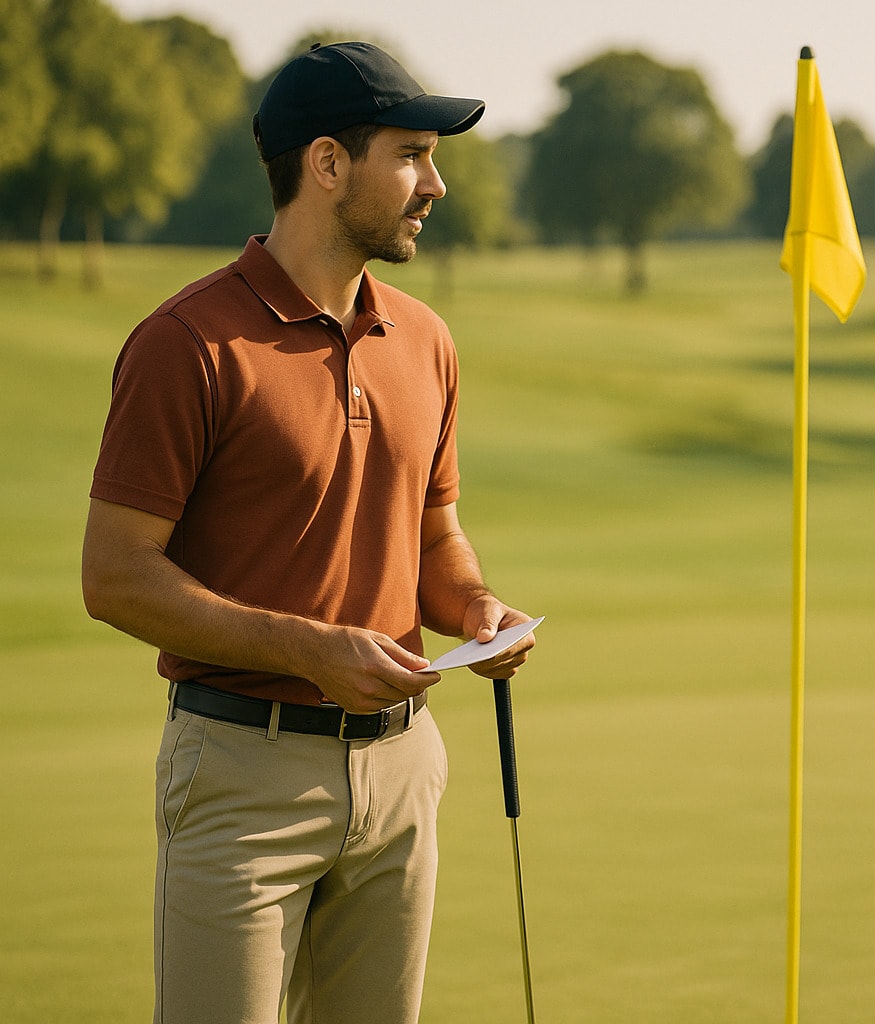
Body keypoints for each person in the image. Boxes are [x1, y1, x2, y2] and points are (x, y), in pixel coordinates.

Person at [81, 41, 534, 1024]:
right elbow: (115, 578)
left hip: (404, 772)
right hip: (245, 777)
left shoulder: (427, 339)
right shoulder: (187, 343)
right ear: (326, 164)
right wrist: (303, 646)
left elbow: (435, 542)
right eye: (412, 155)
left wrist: (476, 611)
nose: (437, 183)